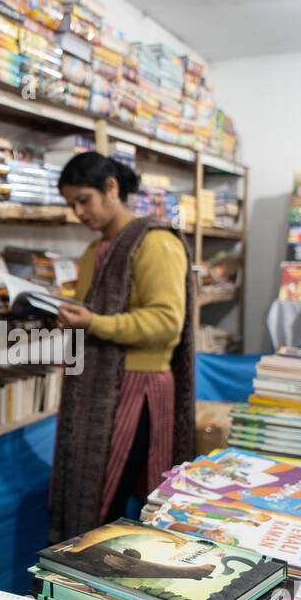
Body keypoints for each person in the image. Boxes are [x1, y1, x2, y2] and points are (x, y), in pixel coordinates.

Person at [49, 152, 196, 542]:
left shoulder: (157, 243)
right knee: (89, 498)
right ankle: (79, 579)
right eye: (71, 205)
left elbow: (166, 324)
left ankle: (113, 583)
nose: (79, 212)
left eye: (84, 200)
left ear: (111, 188)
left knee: (116, 501)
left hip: (139, 390)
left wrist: (93, 322)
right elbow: (88, 311)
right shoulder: (94, 251)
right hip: (93, 390)